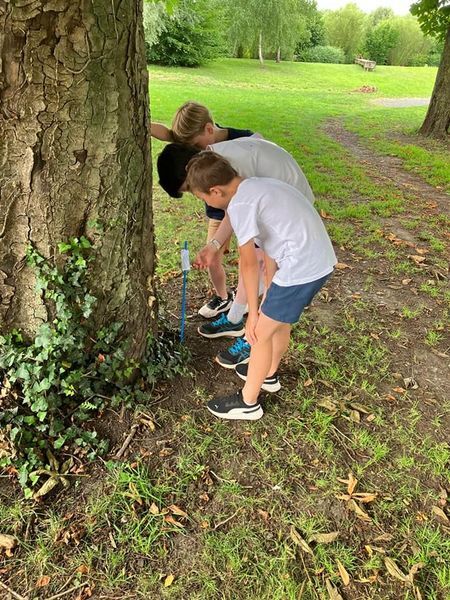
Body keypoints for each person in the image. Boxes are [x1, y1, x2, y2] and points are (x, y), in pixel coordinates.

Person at [185, 152, 336, 421]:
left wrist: (253, 314)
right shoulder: (256, 185)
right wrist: (268, 290)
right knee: (278, 322)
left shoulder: (240, 205)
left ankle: (248, 402)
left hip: (300, 269)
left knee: (259, 335)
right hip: (317, 261)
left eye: (204, 199)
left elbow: (248, 264)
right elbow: (270, 244)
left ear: (215, 191)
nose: (206, 204)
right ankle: (268, 375)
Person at [157, 137, 315, 368]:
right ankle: (237, 319)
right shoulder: (216, 166)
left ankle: (256, 337)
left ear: (191, 170)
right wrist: (213, 246)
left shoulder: (236, 168)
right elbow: (234, 209)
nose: (197, 196)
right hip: (276, 205)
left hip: (289, 211)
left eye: (190, 189)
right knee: (258, 265)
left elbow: (242, 221)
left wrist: (255, 313)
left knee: (267, 271)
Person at [152, 101, 256, 319]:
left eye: (196, 146)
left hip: (245, 206)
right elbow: (166, 133)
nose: (195, 153)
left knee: (247, 255)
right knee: (212, 253)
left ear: (209, 129)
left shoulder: (242, 141)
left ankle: (244, 299)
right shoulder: (191, 140)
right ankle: (223, 297)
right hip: (218, 209)